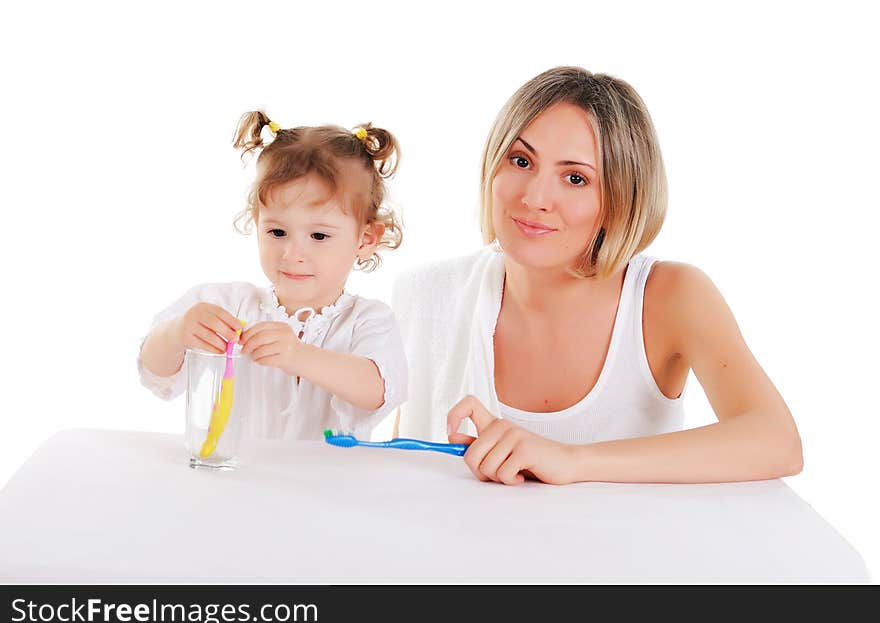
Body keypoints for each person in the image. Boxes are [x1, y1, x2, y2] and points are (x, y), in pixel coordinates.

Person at [392, 66, 802, 485]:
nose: (534, 198)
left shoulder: (671, 296)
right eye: (521, 160)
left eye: (575, 178)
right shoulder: (428, 296)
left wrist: (573, 461)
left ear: (621, 197)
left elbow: (777, 441)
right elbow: (405, 477)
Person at [139, 111, 407, 440]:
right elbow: (154, 368)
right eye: (277, 231)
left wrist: (299, 355)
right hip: (237, 481)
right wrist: (178, 333)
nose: (292, 254)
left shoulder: (367, 319)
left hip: (329, 488)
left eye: (319, 236)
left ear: (365, 239)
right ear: (257, 222)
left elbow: (380, 390)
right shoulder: (228, 305)